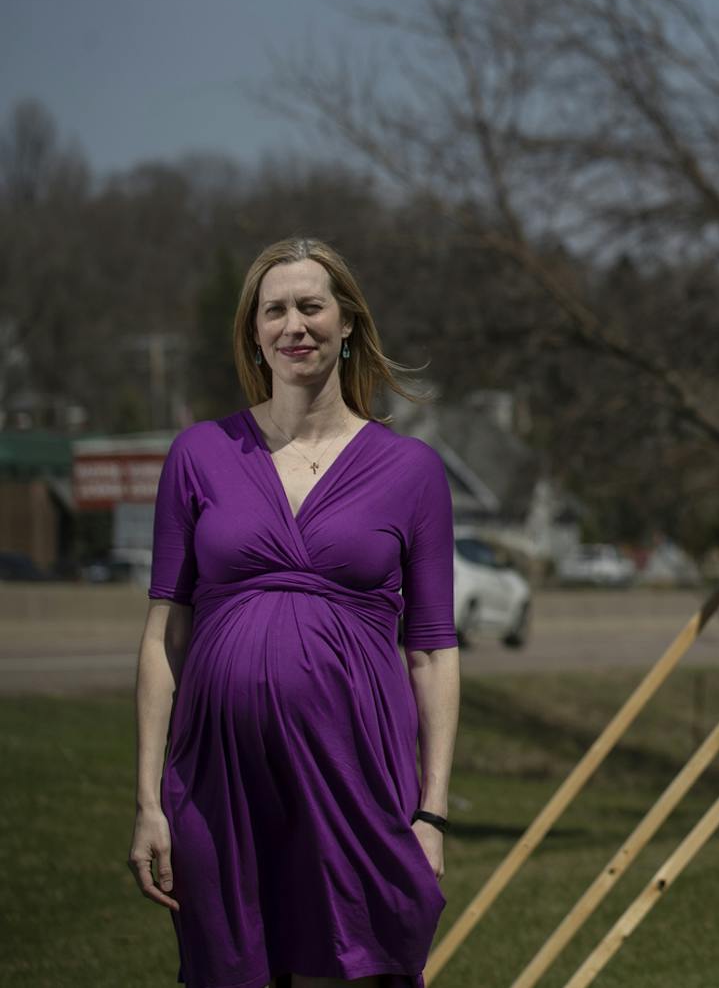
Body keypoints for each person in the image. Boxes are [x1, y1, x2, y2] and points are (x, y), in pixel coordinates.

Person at [129, 237, 462, 987]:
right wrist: (149, 800)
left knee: (366, 965)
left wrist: (432, 814)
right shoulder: (198, 453)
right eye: (273, 310)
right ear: (254, 331)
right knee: (231, 969)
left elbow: (434, 651)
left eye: (311, 306)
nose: (294, 325)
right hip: (219, 780)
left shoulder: (411, 470)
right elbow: (165, 634)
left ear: (347, 324)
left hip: (358, 777)